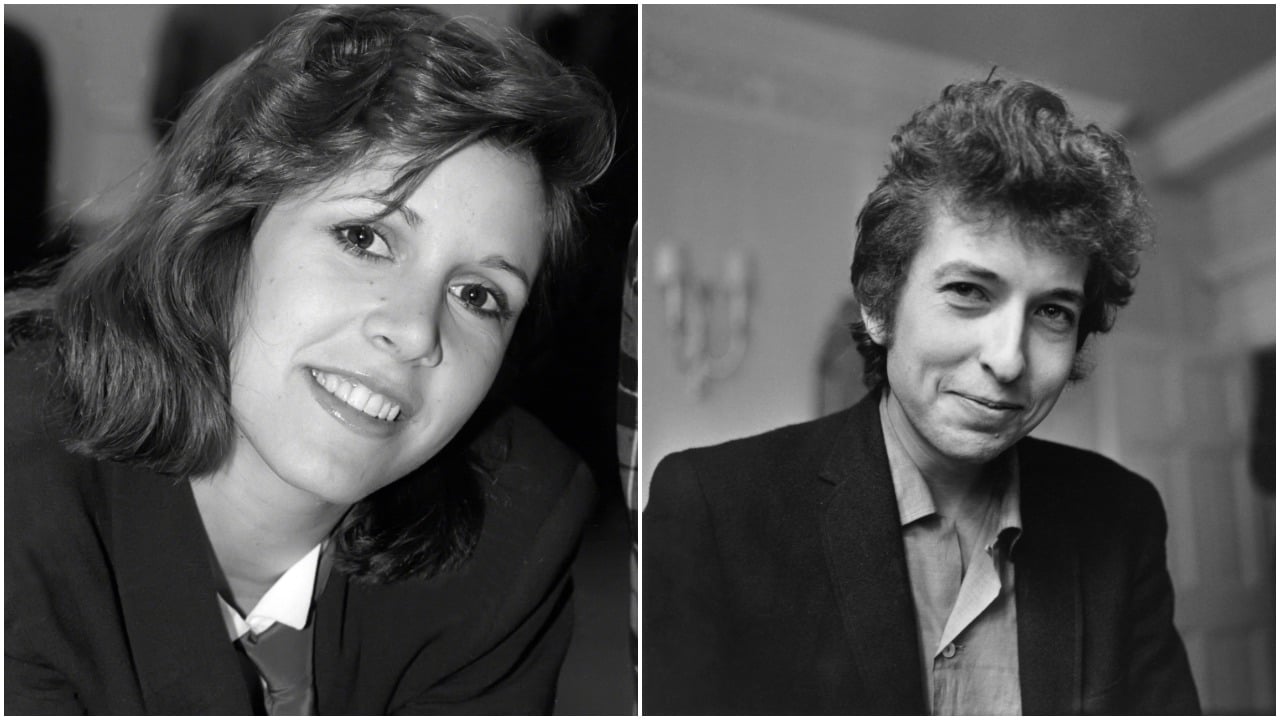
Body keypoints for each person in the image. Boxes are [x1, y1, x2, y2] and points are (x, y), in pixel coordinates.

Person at [5, 6, 614, 714]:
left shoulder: (512, 529)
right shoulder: (21, 496)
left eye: (478, 294)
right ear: (231, 223)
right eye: (363, 238)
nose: (415, 330)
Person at [643, 78, 1200, 715]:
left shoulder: (1120, 516)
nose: (1009, 357)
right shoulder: (716, 505)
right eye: (968, 291)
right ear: (879, 306)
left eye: (1051, 311)